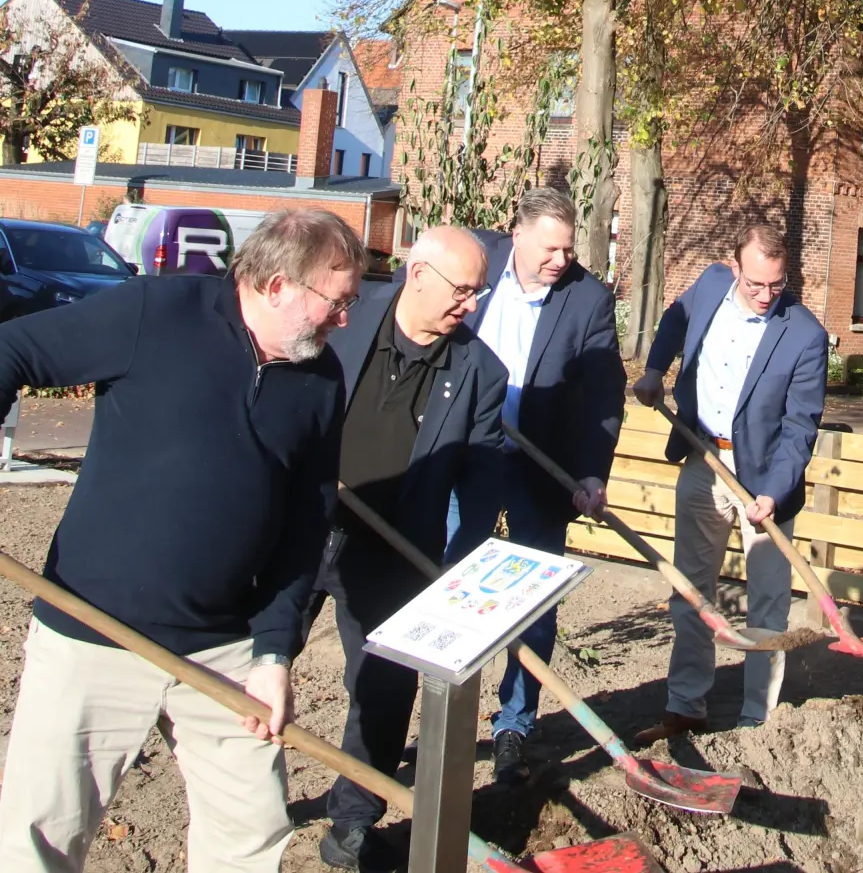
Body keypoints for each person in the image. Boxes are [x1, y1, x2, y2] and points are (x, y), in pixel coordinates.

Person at [0, 209, 363, 873]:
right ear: (277, 285)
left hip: (224, 647)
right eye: (335, 302)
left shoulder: (320, 380)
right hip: (93, 629)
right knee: (39, 835)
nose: (344, 318)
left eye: (350, 303)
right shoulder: (153, 313)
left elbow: (306, 524)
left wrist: (276, 653)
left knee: (250, 831)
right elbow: (12, 351)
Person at [311, 226, 508, 871]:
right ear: (416, 276)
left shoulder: (479, 371)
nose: (470, 305)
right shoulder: (344, 321)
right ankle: (238, 792)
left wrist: (462, 569)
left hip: (393, 553)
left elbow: (481, 478)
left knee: (383, 692)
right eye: (462, 290)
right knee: (256, 660)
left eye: (479, 293)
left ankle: (351, 827)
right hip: (303, 528)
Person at [631, 223, 828, 742]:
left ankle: (756, 721)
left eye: (777, 286)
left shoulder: (804, 335)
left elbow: (800, 426)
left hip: (763, 481)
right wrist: (655, 369)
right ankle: (684, 707)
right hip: (702, 458)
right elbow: (676, 318)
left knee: (766, 602)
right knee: (692, 590)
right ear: (735, 267)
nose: (766, 297)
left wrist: (775, 491)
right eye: (756, 284)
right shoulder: (713, 283)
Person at [456, 188, 625, 784]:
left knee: (534, 595)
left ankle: (514, 724)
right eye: (550, 248)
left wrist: (590, 472)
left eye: (568, 248)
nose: (560, 259)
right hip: (465, 456)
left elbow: (604, 396)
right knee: (453, 584)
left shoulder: (586, 299)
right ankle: (445, 715)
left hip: (540, 463)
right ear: (517, 234)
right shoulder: (472, 264)